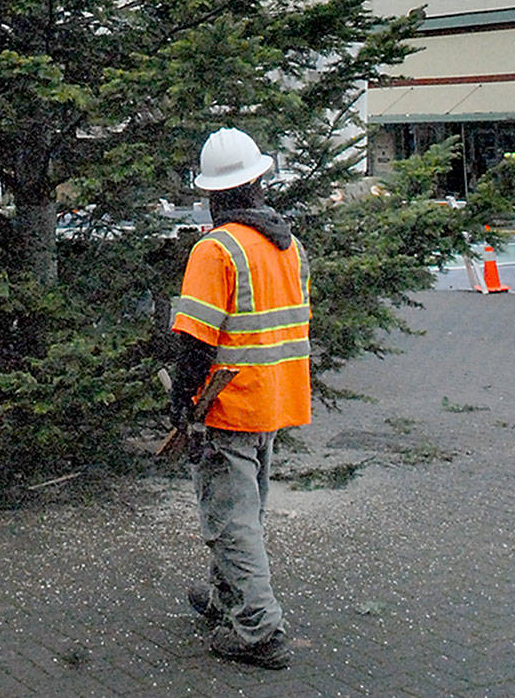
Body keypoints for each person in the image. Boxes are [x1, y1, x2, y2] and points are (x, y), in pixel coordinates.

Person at [168, 127, 311, 670]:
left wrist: (182, 399)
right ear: (257, 181)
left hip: (227, 404)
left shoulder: (216, 249)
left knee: (231, 518)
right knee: (246, 508)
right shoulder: (287, 244)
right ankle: (227, 596)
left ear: (213, 193)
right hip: (272, 398)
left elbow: (197, 339)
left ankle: (258, 629)